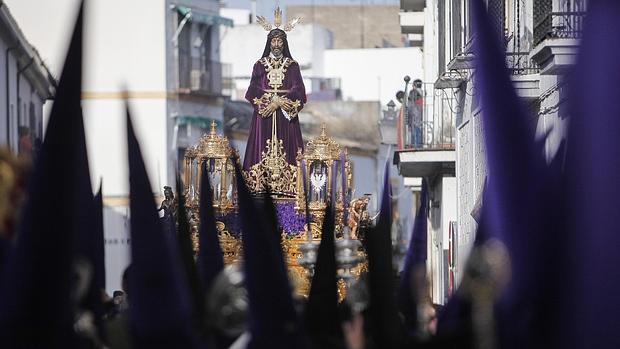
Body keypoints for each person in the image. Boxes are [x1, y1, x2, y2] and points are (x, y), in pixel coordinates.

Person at [243, 8, 306, 172]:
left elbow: (299, 90)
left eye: (280, 41)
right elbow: (252, 89)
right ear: (269, 43)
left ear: (284, 43)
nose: (277, 45)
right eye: (274, 41)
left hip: (285, 117)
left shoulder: (292, 66)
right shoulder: (259, 65)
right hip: (264, 116)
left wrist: (279, 102)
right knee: (262, 148)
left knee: (288, 150)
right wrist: (268, 103)